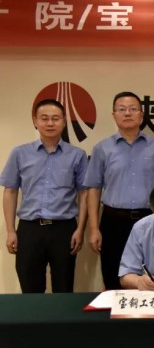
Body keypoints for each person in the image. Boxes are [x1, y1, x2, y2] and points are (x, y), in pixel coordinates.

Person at [1, 99, 88, 293]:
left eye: (55, 118)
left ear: (64, 121)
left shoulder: (77, 155)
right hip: (30, 229)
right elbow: (10, 191)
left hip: (64, 229)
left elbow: (84, 194)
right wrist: (11, 231)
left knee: (64, 289)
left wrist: (80, 229)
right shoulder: (20, 153)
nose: (50, 123)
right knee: (30, 290)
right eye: (44, 118)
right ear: (35, 121)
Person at [84, 91, 154, 290]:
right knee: (113, 276)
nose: (127, 113)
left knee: (149, 277)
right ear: (114, 115)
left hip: (149, 219)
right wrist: (94, 228)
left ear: (141, 115)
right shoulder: (102, 148)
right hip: (113, 221)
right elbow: (94, 189)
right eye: (122, 109)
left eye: (132, 109)